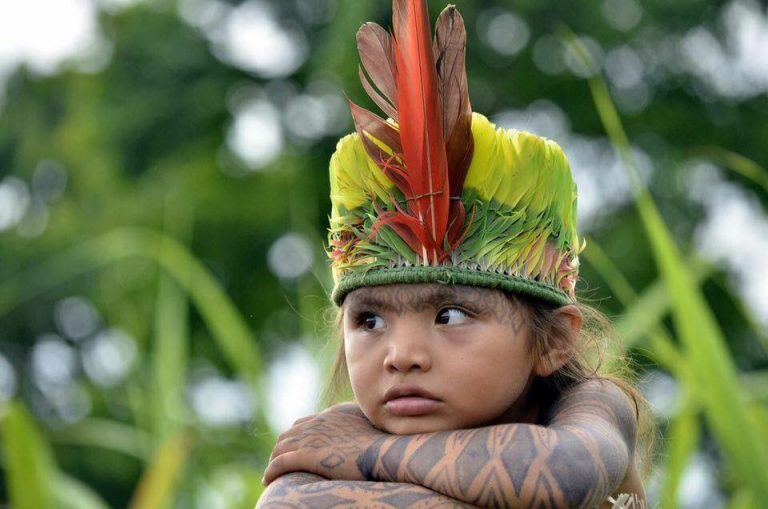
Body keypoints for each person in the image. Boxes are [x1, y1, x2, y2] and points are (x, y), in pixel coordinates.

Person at [258, 1, 650, 507]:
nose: (402, 356)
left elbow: (562, 475)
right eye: (370, 321)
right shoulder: (338, 443)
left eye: (449, 315)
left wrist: (364, 453)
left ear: (553, 341)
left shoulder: (592, 407)